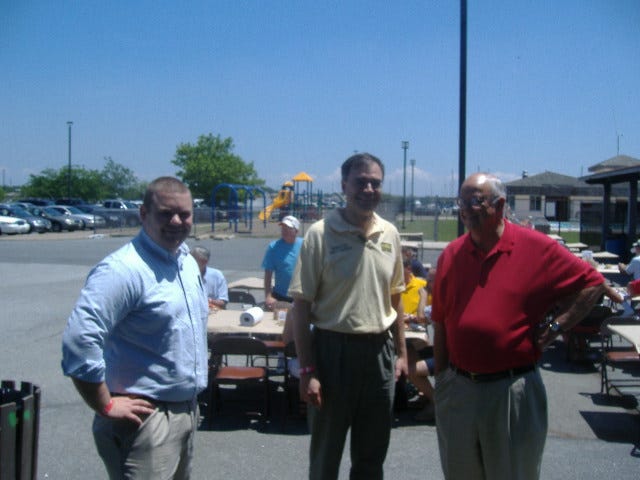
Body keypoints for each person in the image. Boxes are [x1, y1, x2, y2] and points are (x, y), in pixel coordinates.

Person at [432, 173, 605, 480]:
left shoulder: (536, 248)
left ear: (499, 206)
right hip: (459, 391)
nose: (466, 209)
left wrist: (555, 326)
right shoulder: (451, 255)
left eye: (475, 201)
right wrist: (444, 381)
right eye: (462, 201)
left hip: (512, 391)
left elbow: (592, 283)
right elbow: (442, 323)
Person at [61, 177, 208, 480]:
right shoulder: (123, 269)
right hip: (146, 419)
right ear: (143, 214)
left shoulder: (186, 262)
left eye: (185, 213)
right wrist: (104, 403)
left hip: (186, 412)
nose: (177, 221)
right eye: (166, 213)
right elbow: (80, 339)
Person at [290, 152, 407, 480]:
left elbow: (396, 298)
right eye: (360, 181)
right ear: (344, 185)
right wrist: (307, 370)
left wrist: (401, 353)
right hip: (332, 352)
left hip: (379, 355)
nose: (368, 189)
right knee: (326, 456)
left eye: (375, 183)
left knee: (372, 456)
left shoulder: (390, 234)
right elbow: (301, 308)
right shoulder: (319, 233)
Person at [403, 266, 436, 422]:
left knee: (410, 369)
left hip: (451, 356)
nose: (427, 282)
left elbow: (422, 316)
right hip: (441, 349)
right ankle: (426, 394)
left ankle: (436, 403)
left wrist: (423, 295)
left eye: (430, 280)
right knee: (410, 351)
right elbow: (420, 317)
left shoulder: (443, 298)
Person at [262, 215, 303, 310]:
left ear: (296, 231)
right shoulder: (273, 247)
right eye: (283, 228)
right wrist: (268, 296)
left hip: (301, 296)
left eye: (288, 228)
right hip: (280, 296)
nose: (284, 231)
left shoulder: (305, 245)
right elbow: (268, 273)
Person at [191, 245, 229, 309]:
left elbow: (223, 302)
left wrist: (208, 301)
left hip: (213, 311)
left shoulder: (217, 276)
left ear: (204, 262)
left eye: (193, 260)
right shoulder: (185, 275)